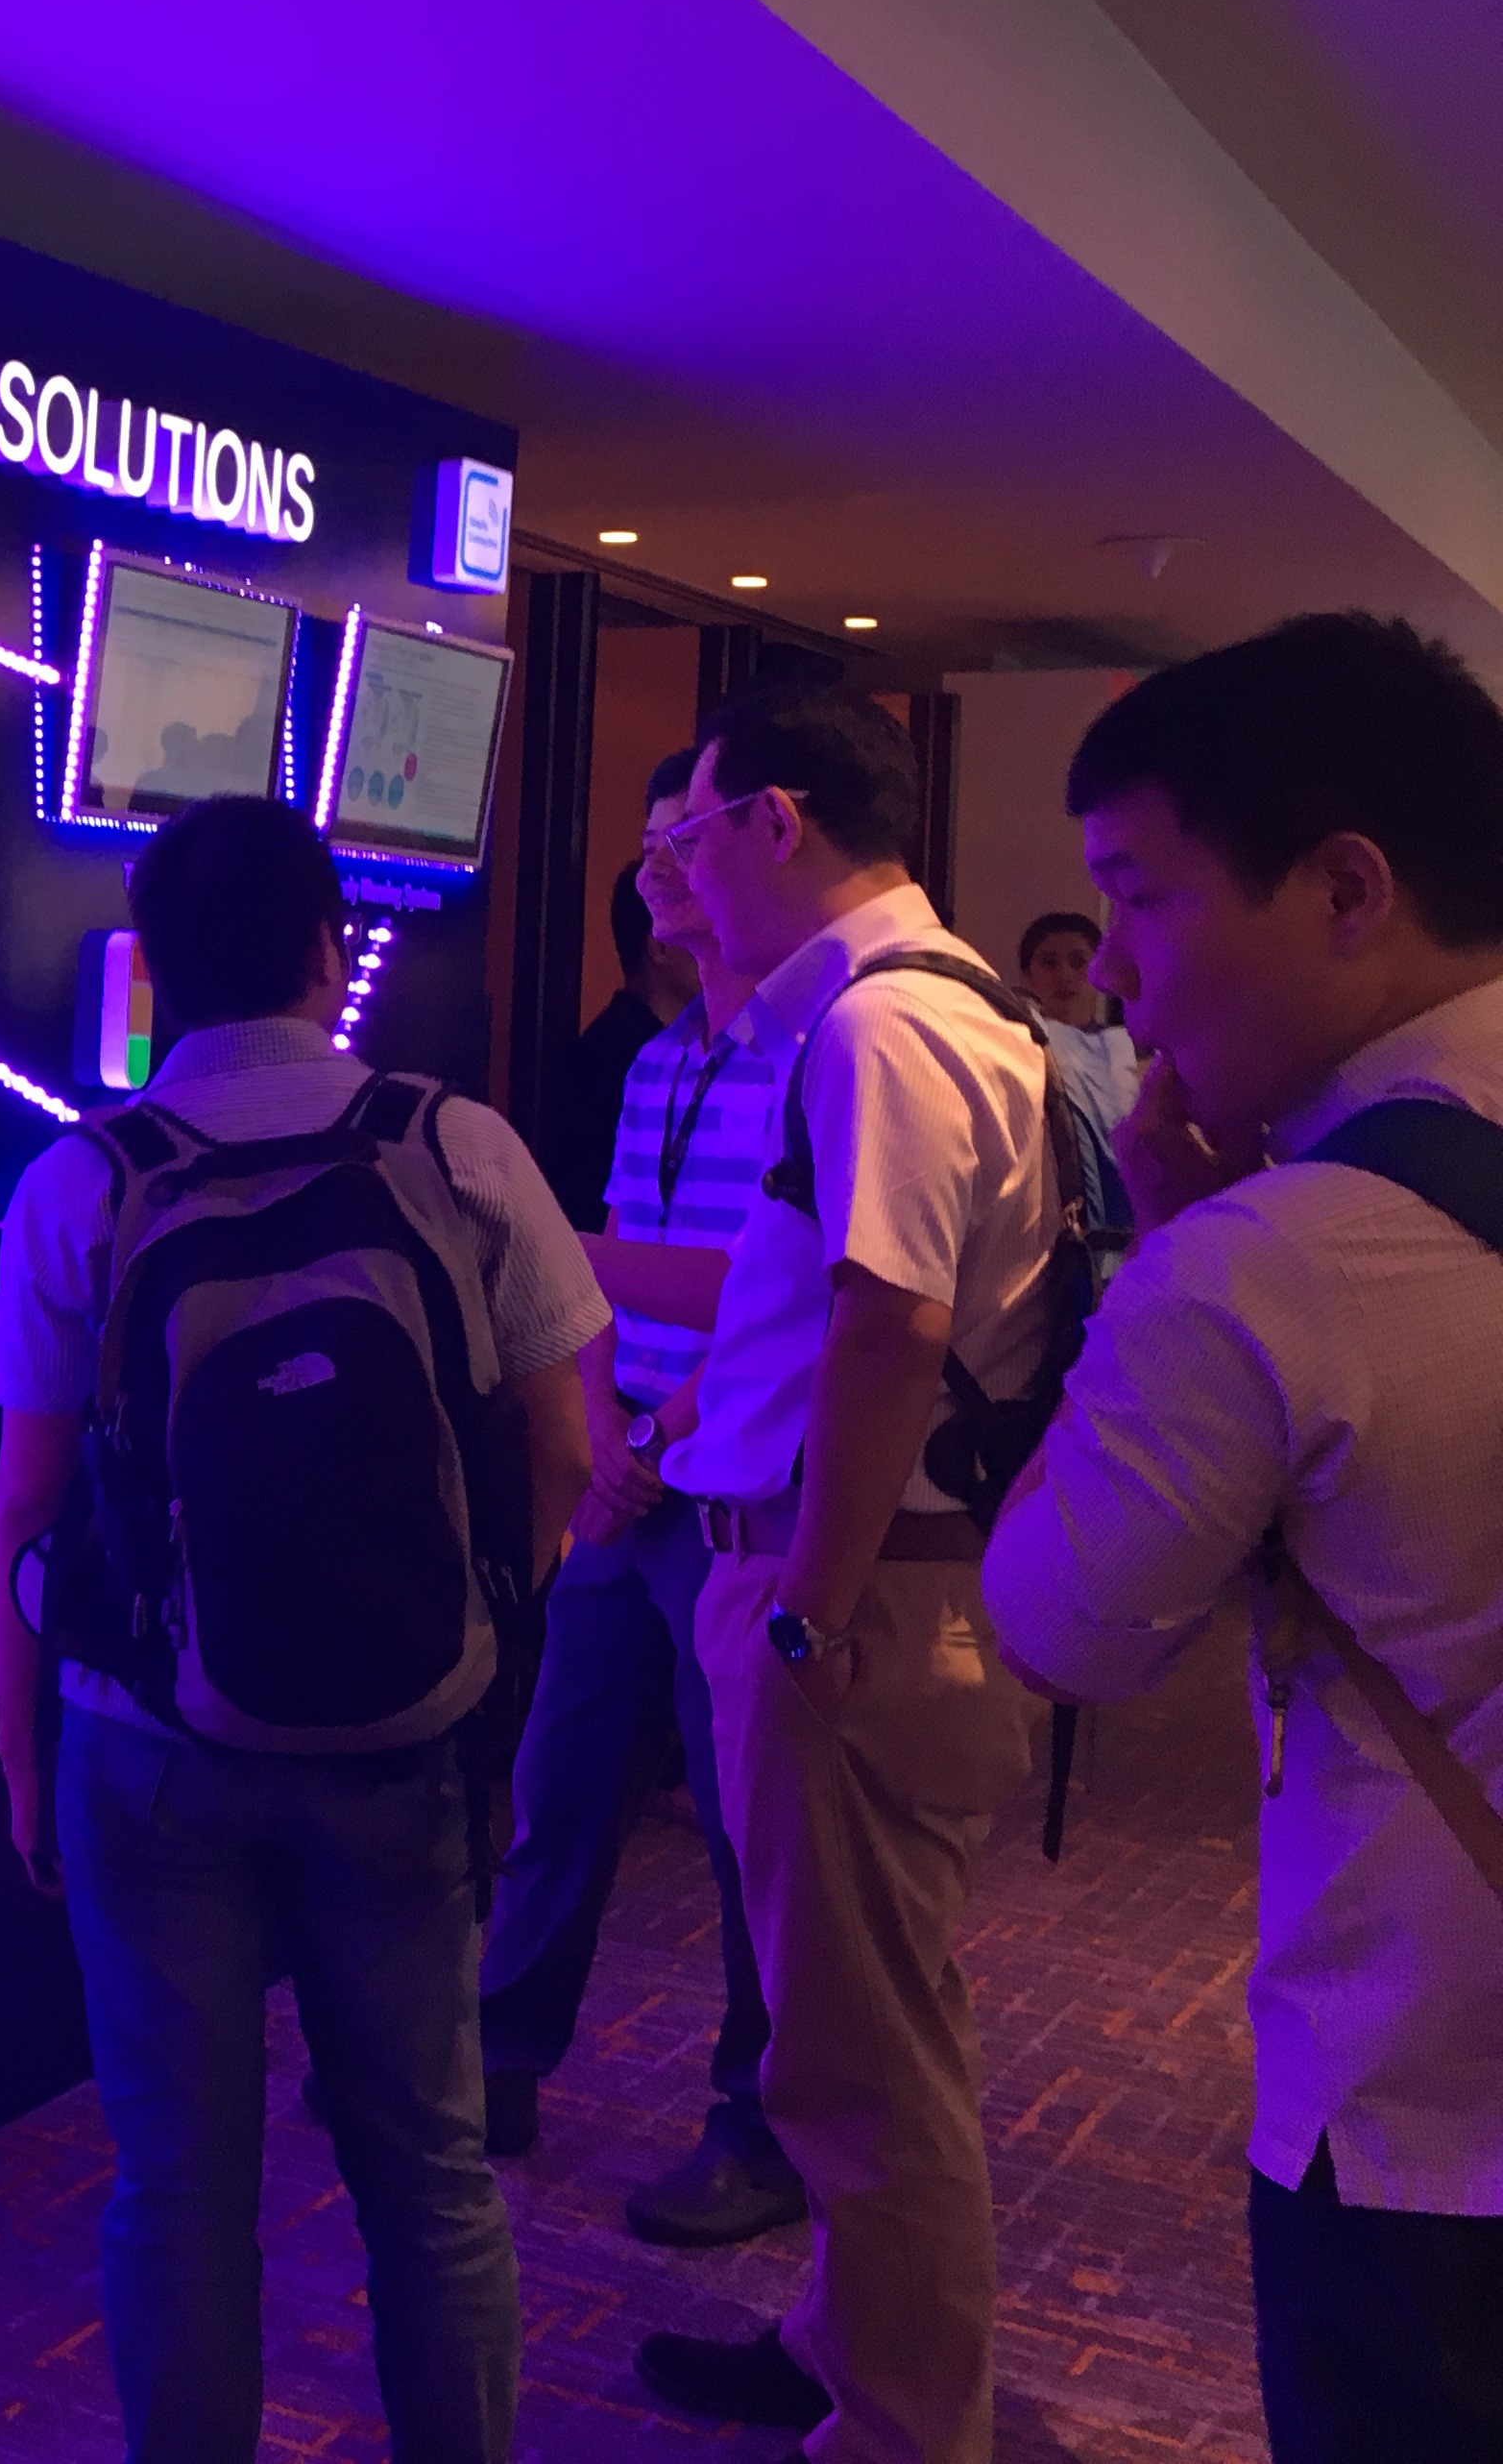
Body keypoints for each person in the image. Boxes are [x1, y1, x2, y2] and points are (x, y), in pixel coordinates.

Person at [0, 793, 602, 2464]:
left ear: (153, 971)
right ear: (334, 952)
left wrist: (23, 1755)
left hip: (145, 1746)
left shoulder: (80, 1181)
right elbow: (564, 1443)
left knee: (177, 2188)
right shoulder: (457, 1145)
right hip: (408, 1734)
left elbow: (27, 1511)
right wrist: (480, 1628)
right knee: (433, 2179)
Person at [983, 615, 1503, 2462]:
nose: (1114, 968)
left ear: (1347, 887)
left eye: (1139, 893)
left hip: (1424, 2113)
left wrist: (1157, 1268)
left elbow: (1060, 1619)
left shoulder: (1265, 1264)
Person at [627, 684, 1057, 2458]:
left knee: (865, 2064)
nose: (675, 872)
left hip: (853, 1595)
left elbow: (889, 1326)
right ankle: (846, 2346)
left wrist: (804, 1605)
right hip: (890, 1580)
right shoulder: (945, 1007)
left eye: (689, 833)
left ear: (776, 822)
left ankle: (900, 2423)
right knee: (859, 2023)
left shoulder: (879, 1027)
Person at [477, 748, 804, 2247]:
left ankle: (757, 2124)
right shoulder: (662, 1061)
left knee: (746, 1829)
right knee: (557, 1783)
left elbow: (783, 1298)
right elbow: (605, 1264)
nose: (655, 865)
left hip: (728, 1479)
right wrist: (603, 1417)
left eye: (684, 837)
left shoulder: (818, 1055)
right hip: (634, 1471)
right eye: (651, 841)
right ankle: (498, 2063)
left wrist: (651, 1431)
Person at [542, 863, 695, 1228]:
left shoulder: (619, 1045)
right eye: (702, 930)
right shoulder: (625, 1060)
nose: (720, 943)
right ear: (659, 946)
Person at [1014, 910, 1143, 1207]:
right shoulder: (1019, 1045)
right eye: (1049, 963)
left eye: (1078, 962)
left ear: (1099, 970)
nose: (1064, 976)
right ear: (1027, 974)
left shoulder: (1132, 1050)